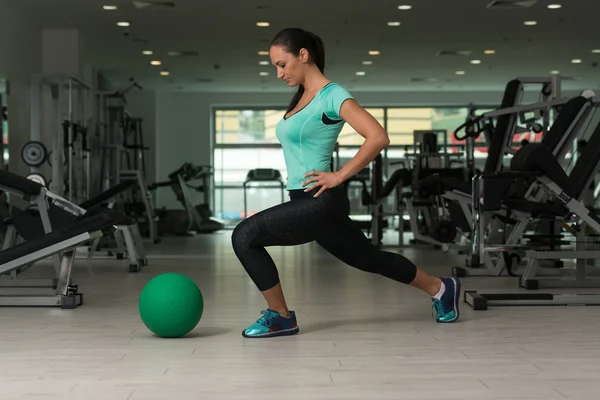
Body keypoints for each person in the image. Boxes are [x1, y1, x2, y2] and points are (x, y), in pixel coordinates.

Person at [231, 28, 461, 338]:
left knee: (245, 236)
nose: (278, 73)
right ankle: (441, 288)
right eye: (275, 66)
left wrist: (339, 175)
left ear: (303, 55)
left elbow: (378, 137)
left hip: (319, 199)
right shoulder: (302, 96)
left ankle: (281, 316)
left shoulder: (331, 94)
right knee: (369, 259)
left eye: (282, 64)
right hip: (307, 198)